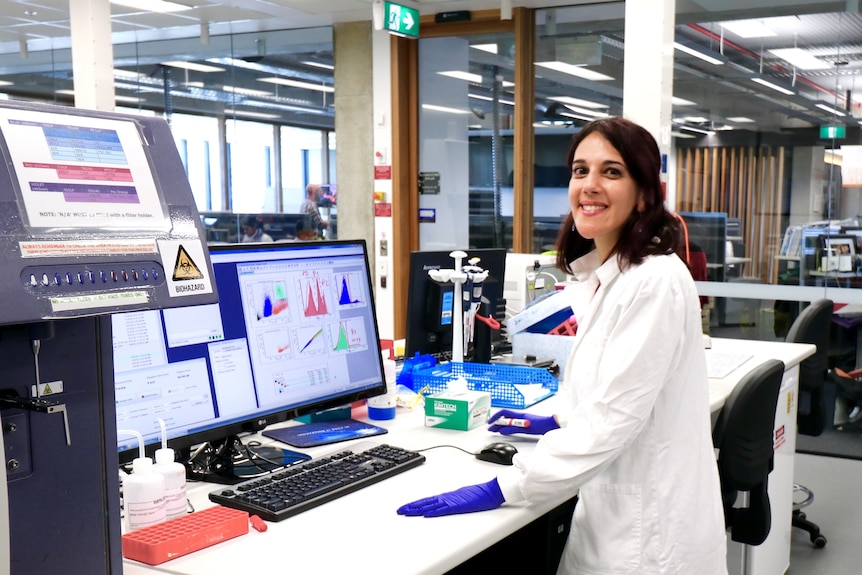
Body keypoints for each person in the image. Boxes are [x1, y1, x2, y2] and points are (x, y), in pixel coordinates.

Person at [397, 118, 728, 574]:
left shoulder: (653, 281)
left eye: (611, 172)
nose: (589, 186)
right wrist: (555, 419)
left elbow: (612, 420)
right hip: (618, 518)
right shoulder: (609, 275)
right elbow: (609, 392)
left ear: (645, 194)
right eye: (580, 170)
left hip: (648, 539)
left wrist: (505, 488)